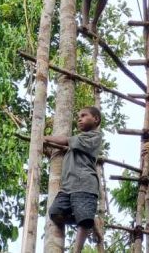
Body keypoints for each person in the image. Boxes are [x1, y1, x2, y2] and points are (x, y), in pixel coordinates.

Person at [45, 106, 104, 253]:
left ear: (96, 119)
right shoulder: (76, 143)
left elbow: (64, 140)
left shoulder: (94, 136)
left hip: (84, 183)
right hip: (68, 186)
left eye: (84, 115)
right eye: (79, 116)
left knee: (83, 220)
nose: (80, 118)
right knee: (55, 213)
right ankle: (91, 219)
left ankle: (76, 250)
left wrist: (45, 138)